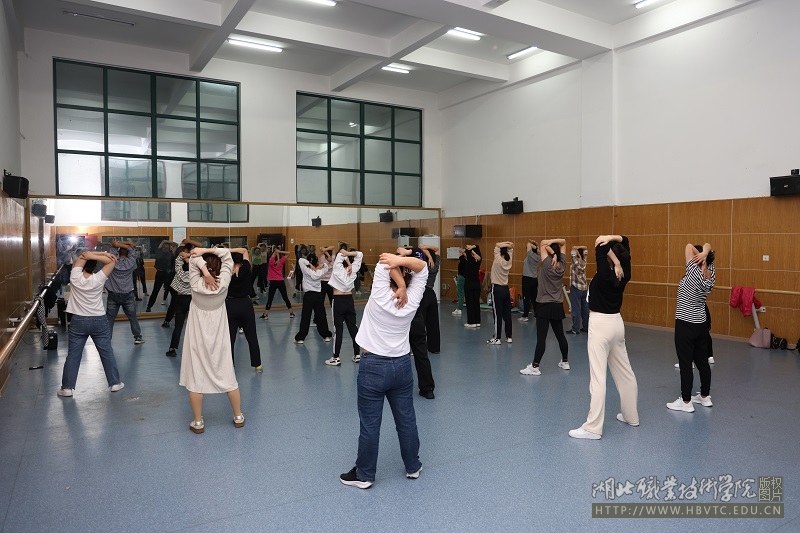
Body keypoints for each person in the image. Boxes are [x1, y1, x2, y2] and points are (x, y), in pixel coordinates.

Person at [339, 252, 428, 489]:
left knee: (370, 424)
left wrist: (398, 271)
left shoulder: (379, 291)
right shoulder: (414, 296)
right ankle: (413, 466)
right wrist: (404, 282)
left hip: (373, 367)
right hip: (402, 367)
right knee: (406, 419)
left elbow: (384, 261)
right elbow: (421, 266)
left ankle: (365, 475)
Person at [569, 235, 638, 440]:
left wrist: (613, 257)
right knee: (625, 373)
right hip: (617, 324)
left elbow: (600, 242)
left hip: (600, 325)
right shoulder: (624, 272)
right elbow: (625, 241)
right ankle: (631, 416)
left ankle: (593, 428)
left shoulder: (605, 271)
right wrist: (618, 261)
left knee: (598, 378)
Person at [179, 246, 244, 434]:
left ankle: (198, 422)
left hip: (198, 336)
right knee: (226, 372)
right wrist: (206, 249)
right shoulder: (224, 281)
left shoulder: (195, 283)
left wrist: (205, 273)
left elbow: (192, 259)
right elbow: (226, 254)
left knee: (196, 377)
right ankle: (238, 416)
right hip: (219, 336)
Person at [58, 250, 124, 397]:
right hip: (99, 320)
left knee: (73, 355)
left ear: (82, 265)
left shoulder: (74, 276)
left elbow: (84, 255)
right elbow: (111, 262)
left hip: (78, 320)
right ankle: (115, 383)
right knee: (106, 352)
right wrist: (103, 255)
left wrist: (90, 255)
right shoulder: (99, 278)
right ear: (94, 267)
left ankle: (67, 388)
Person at [667, 243, 715, 413]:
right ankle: (705, 397)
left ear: (696, 259)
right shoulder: (711, 272)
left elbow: (687, 246)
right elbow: (707, 246)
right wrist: (705, 253)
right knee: (702, 362)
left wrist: (700, 255)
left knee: (685, 363)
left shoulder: (693, 272)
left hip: (685, 324)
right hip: (701, 324)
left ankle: (686, 401)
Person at [520, 239, 569, 376]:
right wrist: (555, 253)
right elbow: (564, 242)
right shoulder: (562, 264)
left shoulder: (547, 263)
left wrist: (551, 252)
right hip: (557, 305)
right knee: (560, 335)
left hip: (544, 305)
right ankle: (565, 361)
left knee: (541, 338)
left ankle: (535, 366)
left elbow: (542, 244)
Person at [398, 246, 437, 399]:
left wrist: (404, 253)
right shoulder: (419, 275)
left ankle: (398, 387)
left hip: (399, 318)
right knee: (421, 354)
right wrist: (410, 252)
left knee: (397, 354)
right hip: (415, 316)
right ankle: (427, 389)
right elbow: (419, 254)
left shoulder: (396, 274)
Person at [226, 248, 262, 372]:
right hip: (245, 304)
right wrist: (230, 249)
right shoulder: (246, 267)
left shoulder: (226, 271)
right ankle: (257, 365)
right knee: (252, 336)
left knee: (230, 338)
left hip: (230, 304)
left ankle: (230, 365)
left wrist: (226, 251)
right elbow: (245, 250)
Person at [325, 248, 363, 366]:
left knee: (338, 330)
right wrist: (350, 263)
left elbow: (341, 252)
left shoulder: (337, 268)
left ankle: (336, 357)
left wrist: (346, 258)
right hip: (349, 300)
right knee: (353, 328)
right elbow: (359, 254)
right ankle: (357, 354)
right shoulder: (354, 269)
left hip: (338, 300)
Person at [105, 239, 144, 345]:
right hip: (128, 294)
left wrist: (117, 245)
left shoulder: (112, 261)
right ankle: (137, 337)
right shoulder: (131, 262)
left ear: (118, 251)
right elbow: (132, 250)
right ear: (127, 253)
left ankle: (107, 340)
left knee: (110, 318)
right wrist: (128, 244)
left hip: (113, 294)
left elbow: (112, 249)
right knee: (132, 317)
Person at [165, 241, 198, 357]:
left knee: (178, 326)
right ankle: (196, 349)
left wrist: (185, 255)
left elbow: (179, 258)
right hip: (193, 299)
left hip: (181, 299)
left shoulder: (179, 269)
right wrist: (191, 256)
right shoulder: (196, 271)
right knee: (195, 326)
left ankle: (172, 348)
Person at [294, 252, 333, 344]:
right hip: (318, 296)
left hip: (308, 296)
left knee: (306, 316)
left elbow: (300, 260)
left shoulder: (305, 270)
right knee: (321, 315)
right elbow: (326, 266)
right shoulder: (320, 272)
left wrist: (310, 265)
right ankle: (326, 336)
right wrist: (320, 266)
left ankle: (301, 338)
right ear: (317, 262)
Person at [488, 241, 514, 345]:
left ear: (499, 252)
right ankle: (509, 337)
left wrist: (505, 244)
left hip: (497, 289)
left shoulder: (497, 260)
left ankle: (497, 338)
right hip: (506, 289)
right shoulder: (509, 260)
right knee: (507, 315)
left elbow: (497, 244)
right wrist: (508, 244)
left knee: (497, 315)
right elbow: (511, 247)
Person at [261, 246, 294, 320]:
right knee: (285, 297)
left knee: (270, 298)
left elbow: (275, 253)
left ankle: (266, 314)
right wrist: (280, 252)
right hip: (280, 281)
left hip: (273, 282)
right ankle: (291, 313)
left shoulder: (271, 261)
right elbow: (288, 253)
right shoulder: (281, 261)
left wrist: (276, 251)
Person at [146, 240, 175, 312]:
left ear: (169, 249)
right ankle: (149, 306)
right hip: (160, 273)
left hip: (168, 274)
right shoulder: (159, 252)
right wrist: (165, 241)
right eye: (164, 247)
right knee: (155, 291)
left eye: (167, 248)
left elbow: (175, 245)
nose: (165, 249)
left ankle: (174, 306)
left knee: (171, 291)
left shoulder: (170, 254)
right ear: (162, 247)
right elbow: (163, 241)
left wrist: (169, 244)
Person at [567, 245, 589, 335]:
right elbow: (585, 248)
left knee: (576, 309)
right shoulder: (584, 261)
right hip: (584, 288)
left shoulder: (575, 262)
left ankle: (575, 329)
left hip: (576, 288)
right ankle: (586, 327)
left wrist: (575, 248)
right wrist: (579, 248)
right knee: (585, 308)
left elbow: (572, 249)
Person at [519, 240, 539, 322]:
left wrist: (533, 245)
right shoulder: (538, 256)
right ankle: (536, 314)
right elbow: (537, 249)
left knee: (526, 298)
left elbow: (528, 245)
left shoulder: (531, 255)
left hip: (527, 279)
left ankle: (525, 315)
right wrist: (536, 245)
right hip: (534, 279)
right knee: (534, 297)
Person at [463, 244, 482, 328]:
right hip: (477, 283)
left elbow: (466, 251)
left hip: (469, 283)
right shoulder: (479, 260)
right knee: (476, 303)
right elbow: (477, 247)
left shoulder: (469, 261)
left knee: (470, 303)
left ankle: (471, 322)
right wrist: (473, 248)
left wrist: (470, 250)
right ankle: (477, 321)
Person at [452, 248, 466, 316]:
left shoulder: (462, 259)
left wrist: (462, 253)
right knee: (462, 293)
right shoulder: (469, 260)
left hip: (461, 277)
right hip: (466, 277)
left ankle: (459, 308)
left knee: (460, 293)